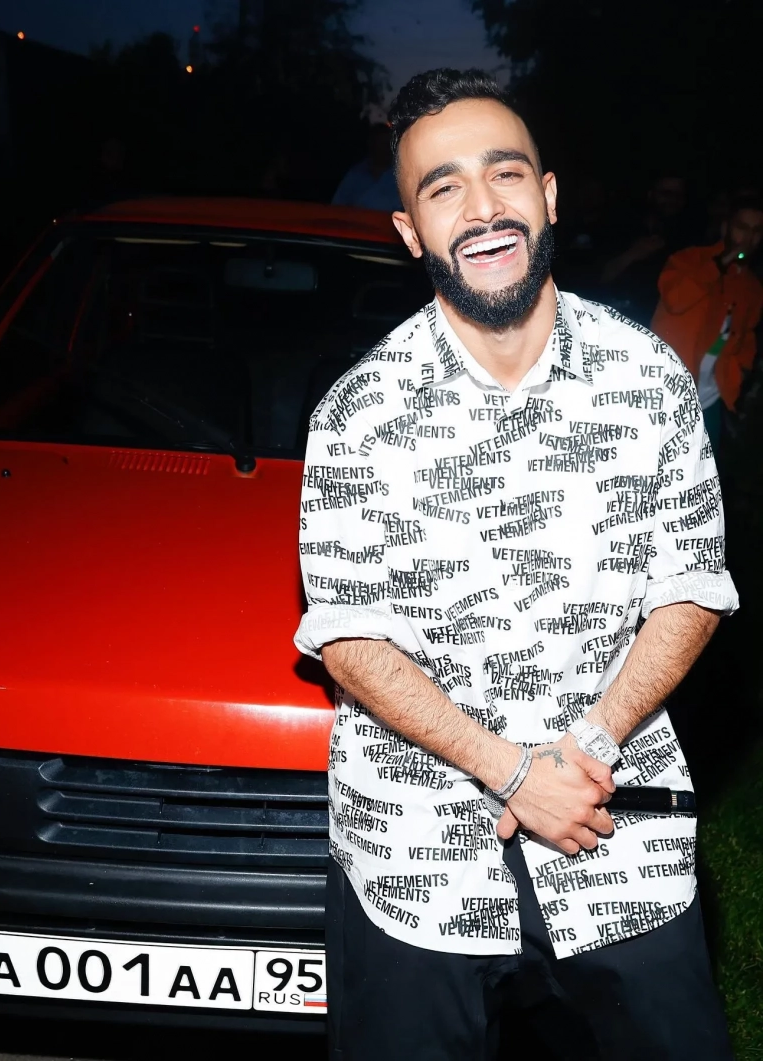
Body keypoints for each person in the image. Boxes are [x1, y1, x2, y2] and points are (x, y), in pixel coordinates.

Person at [294, 68, 738, 1060]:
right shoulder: (360, 414)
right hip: (417, 857)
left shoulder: (647, 378)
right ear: (409, 229)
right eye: (443, 187)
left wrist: (591, 742)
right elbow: (349, 638)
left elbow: (692, 584)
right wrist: (512, 774)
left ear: (547, 194)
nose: (482, 207)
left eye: (503, 174)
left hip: (614, 832)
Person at [651, 194, 763, 460]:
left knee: (703, 475)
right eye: (742, 227)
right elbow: (675, 300)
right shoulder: (689, 260)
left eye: (757, 231)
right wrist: (720, 264)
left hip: (710, 399)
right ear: (726, 227)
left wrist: (739, 374)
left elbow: (745, 336)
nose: (748, 237)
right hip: (664, 392)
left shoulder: (752, 286)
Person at [599, 173, 693, 325]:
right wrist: (633, 254)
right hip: (612, 321)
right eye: (666, 193)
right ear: (651, 194)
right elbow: (596, 277)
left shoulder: (689, 240)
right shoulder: (621, 226)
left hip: (659, 326)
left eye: (679, 195)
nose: (672, 200)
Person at [331, 122, 402, 212]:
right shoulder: (355, 175)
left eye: (387, 144)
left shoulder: (400, 176)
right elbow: (336, 207)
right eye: (381, 143)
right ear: (371, 144)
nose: (385, 149)